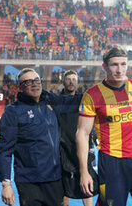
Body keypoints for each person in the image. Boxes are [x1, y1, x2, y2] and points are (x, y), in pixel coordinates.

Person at [0, 68, 81, 206]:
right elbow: (5, 150)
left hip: (55, 178)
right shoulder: (13, 112)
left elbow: (72, 101)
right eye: (28, 82)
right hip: (29, 181)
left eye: (36, 80)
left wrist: (97, 92)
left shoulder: (51, 101)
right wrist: (6, 184)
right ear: (20, 87)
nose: (34, 84)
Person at [77, 47, 132, 206]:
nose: (119, 69)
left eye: (123, 64)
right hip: (111, 162)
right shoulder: (92, 95)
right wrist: (84, 172)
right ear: (104, 67)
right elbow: (82, 133)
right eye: (114, 65)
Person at [56, 70, 95, 206]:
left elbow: (91, 125)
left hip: (81, 147)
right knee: (64, 188)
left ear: (77, 82)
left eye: (74, 79)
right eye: (68, 79)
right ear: (63, 82)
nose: (71, 81)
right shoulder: (57, 102)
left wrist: (91, 144)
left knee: (86, 184)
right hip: (62, 149)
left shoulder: (84, 99)